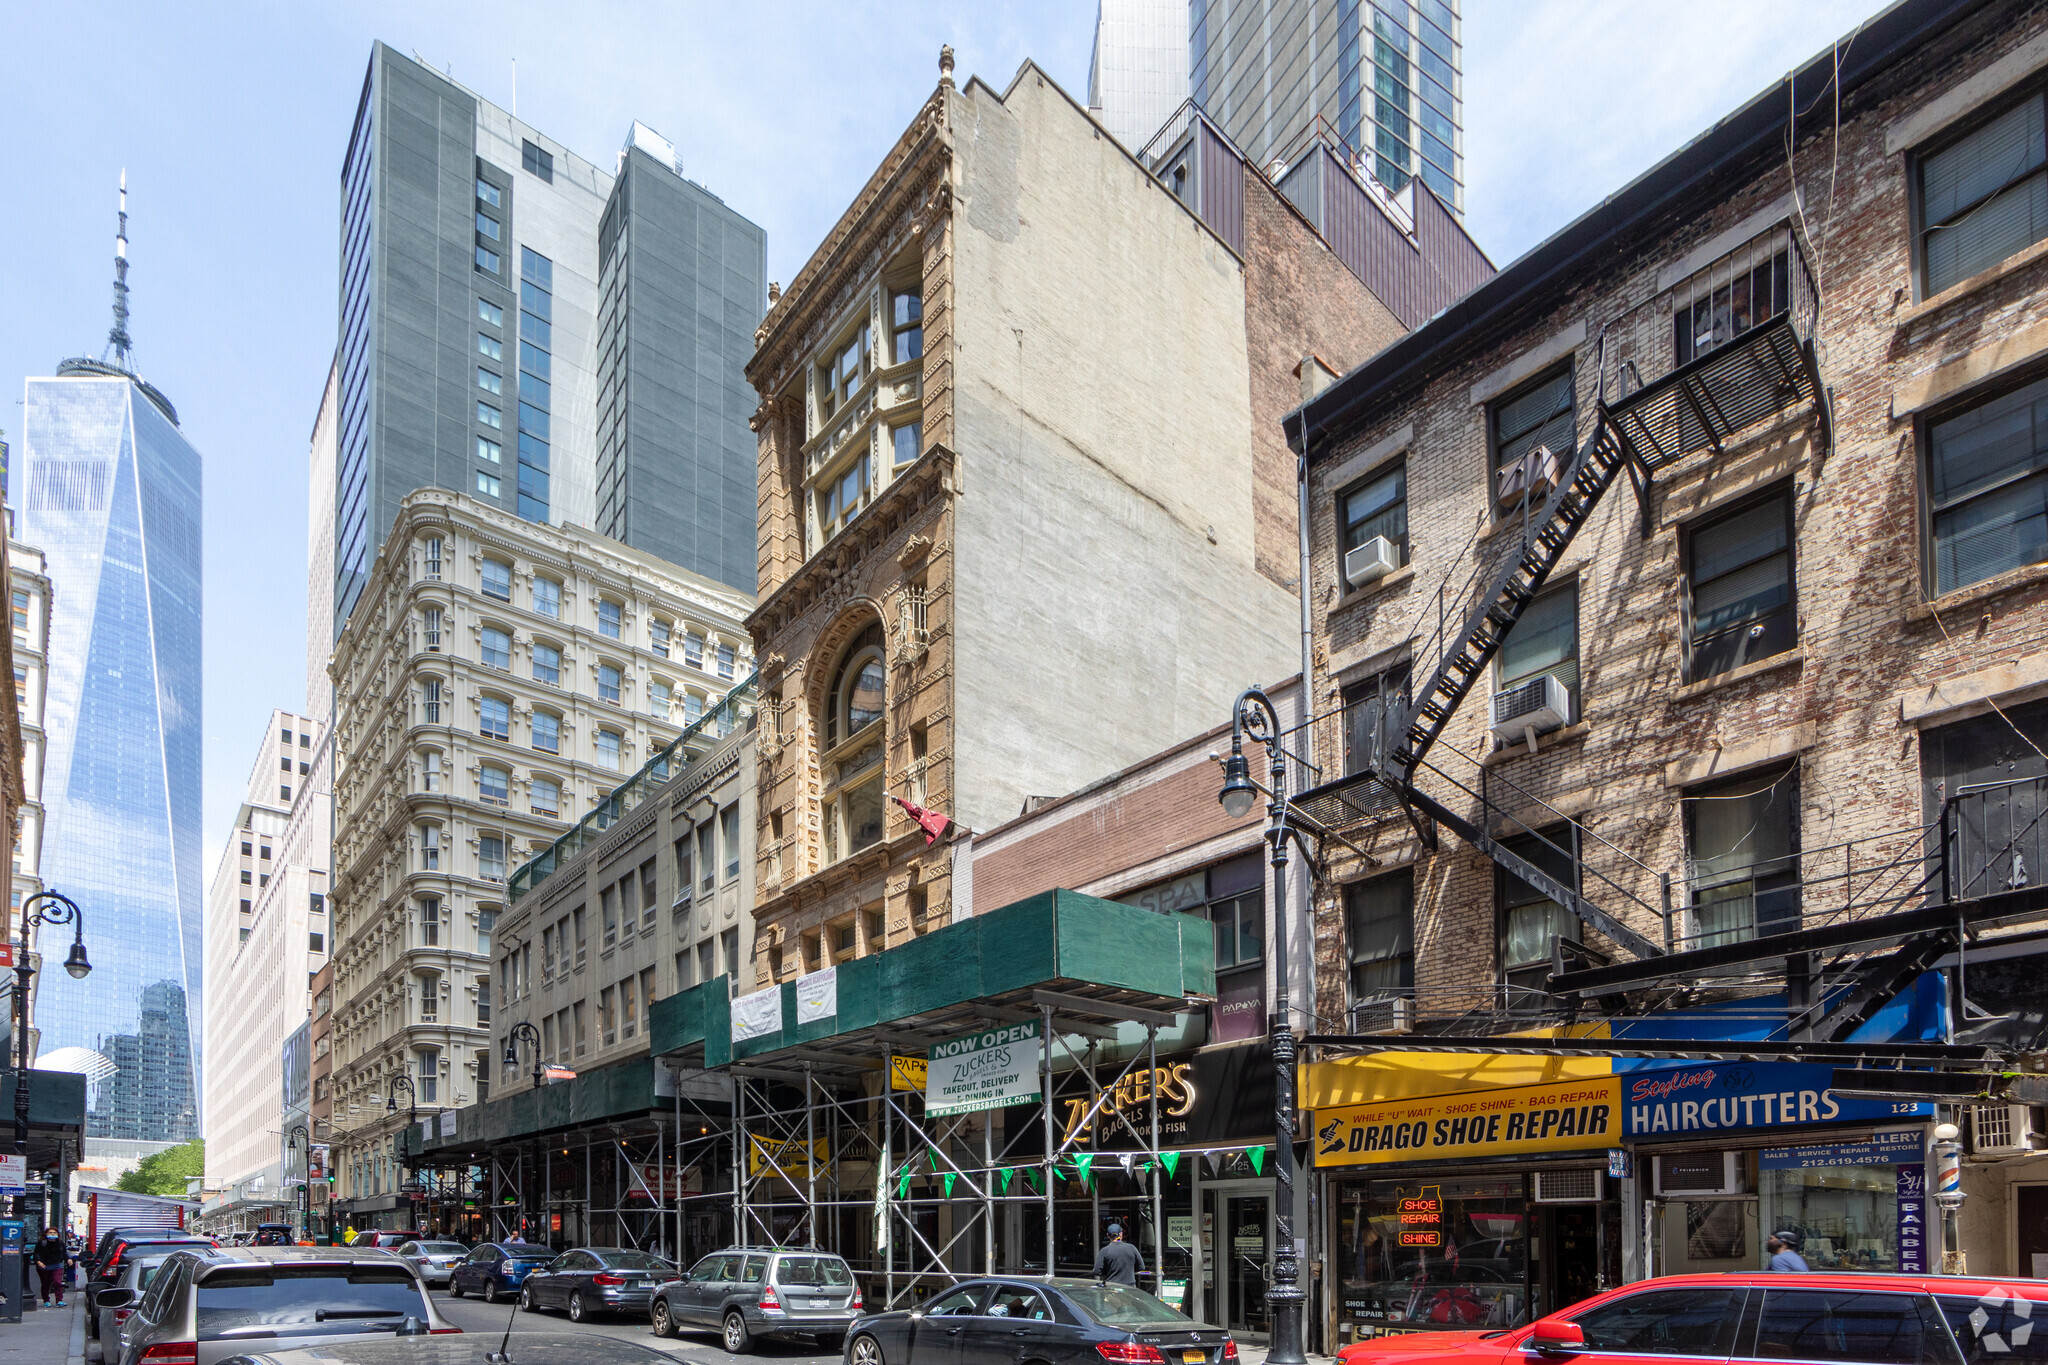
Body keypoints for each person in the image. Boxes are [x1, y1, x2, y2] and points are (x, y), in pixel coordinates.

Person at [1094, 1223, 1144, 1287]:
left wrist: (1108, 1271)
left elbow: (1097, 1271)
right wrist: (1129, 1271)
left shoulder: (1104, 1251)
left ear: (1108, 1236)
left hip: (1112, 1287)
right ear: (1121, 1234)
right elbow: (1141, 1267)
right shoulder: (1132, 1248)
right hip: (1130, 1288)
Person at [32, 1230, 71, 1306]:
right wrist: (39, 1262)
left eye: (54, 1233)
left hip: (57, 1265)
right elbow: (36, 1253)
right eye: (50, 1232)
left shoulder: (60, 1242)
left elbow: (64, 1252)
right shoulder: (42, 1242)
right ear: (46, 1234)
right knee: (45, 1284)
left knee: (58, 1282)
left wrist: (68, 1259)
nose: (52, 1234)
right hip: (44, 1266)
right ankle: (46, 1300)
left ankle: (59, 1300)